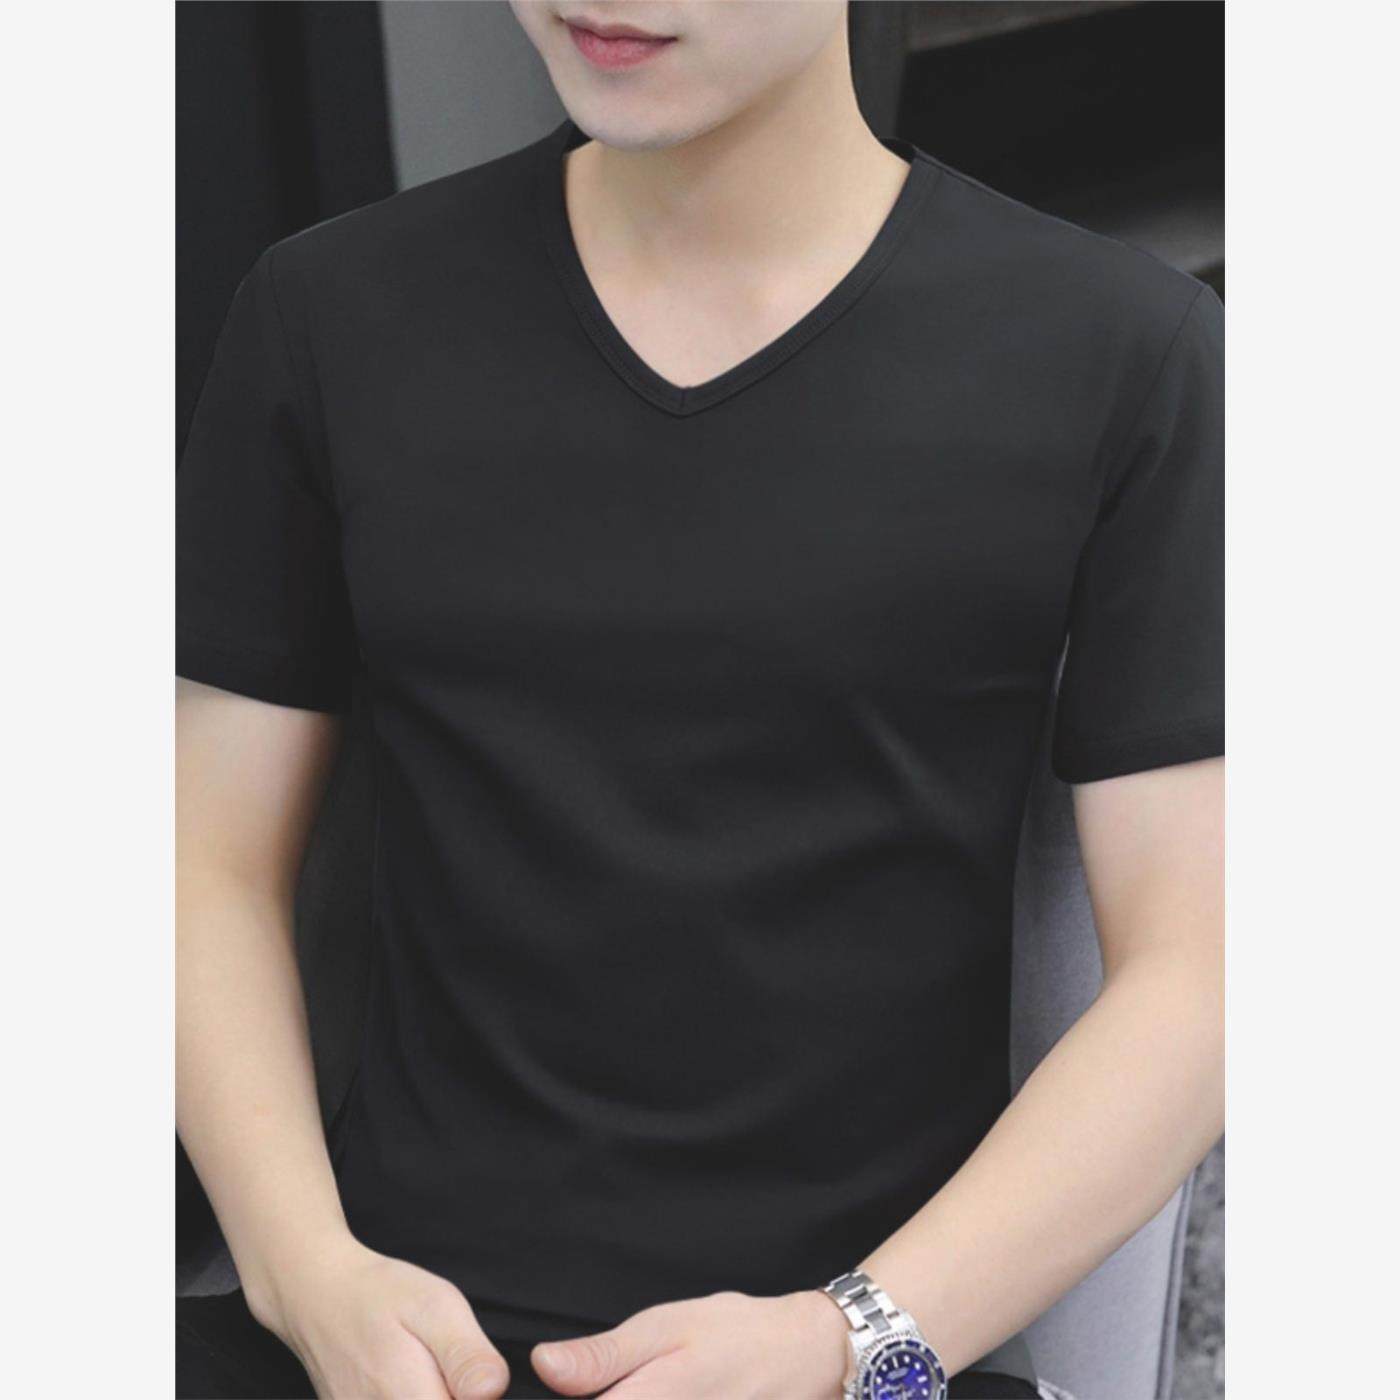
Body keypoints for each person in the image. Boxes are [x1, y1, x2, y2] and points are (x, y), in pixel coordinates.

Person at [175, 3, 1225, 1397]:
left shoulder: (1124, 353)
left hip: (857, 1337)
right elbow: (198, 858)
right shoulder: (329, 312)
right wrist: (303, 1272)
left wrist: (850, 1345)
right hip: (385, 1335)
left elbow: (1203, 971)